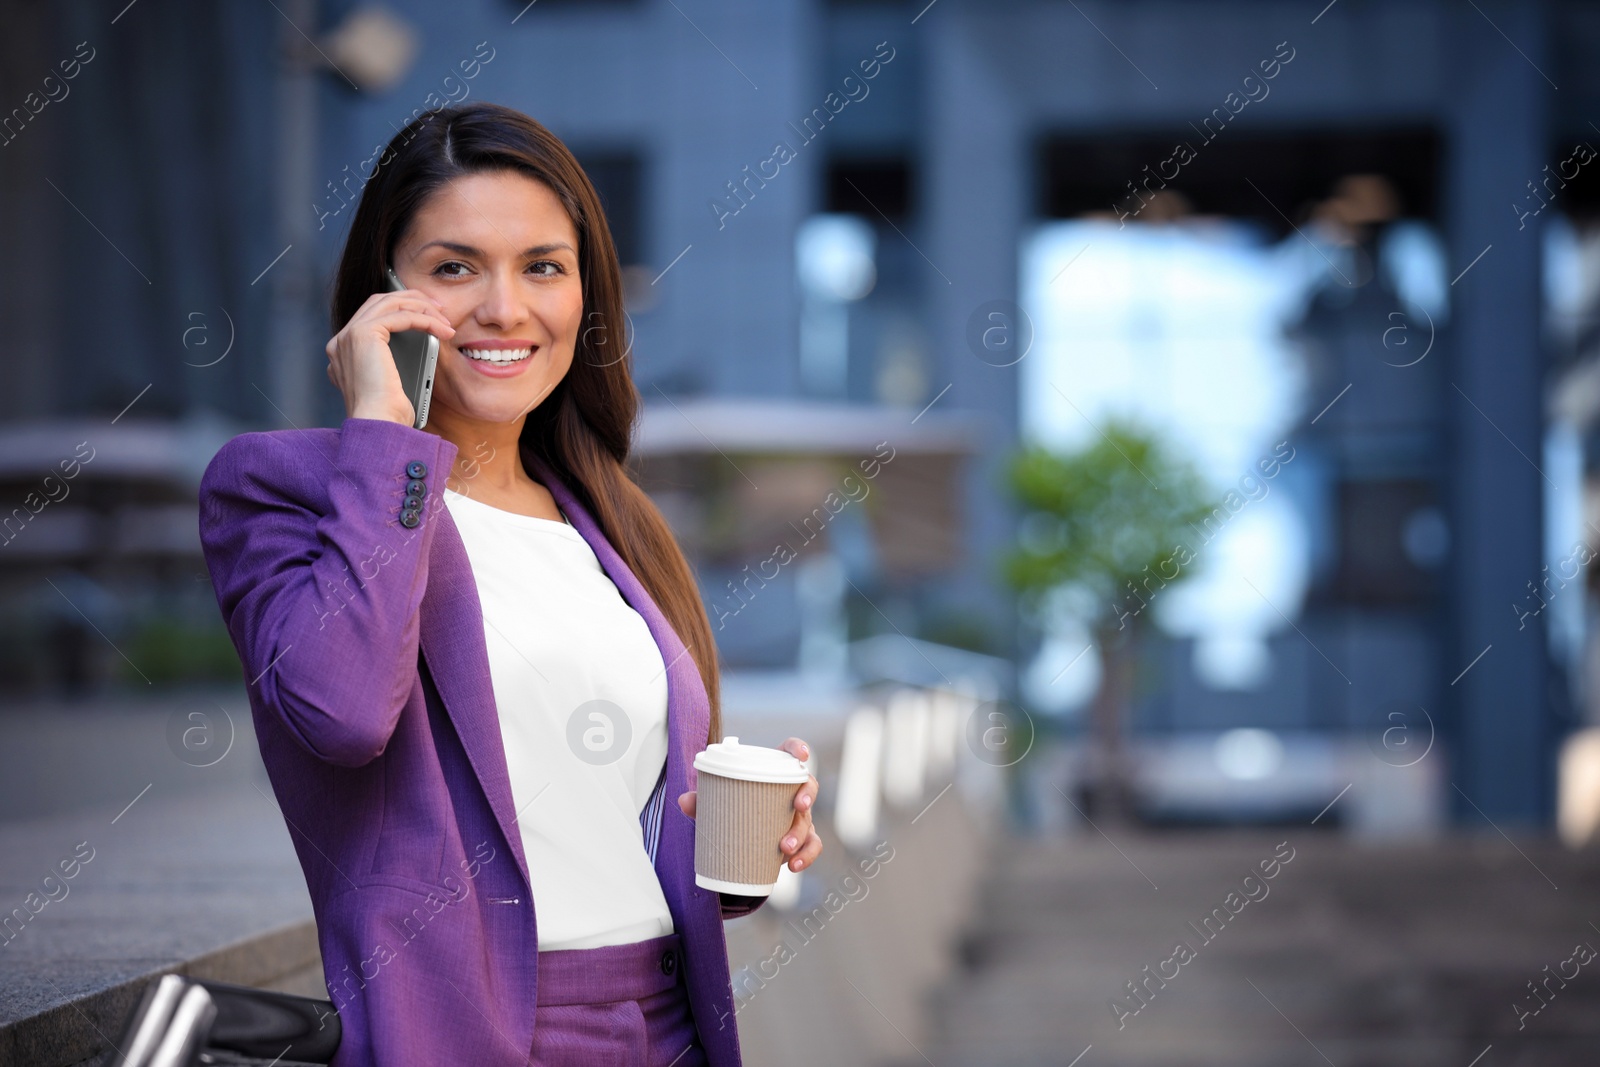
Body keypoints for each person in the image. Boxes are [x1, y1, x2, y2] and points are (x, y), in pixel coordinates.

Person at [197, 101, 821, 1067]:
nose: (504, 308)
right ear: (382, 298)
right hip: (469, 1033)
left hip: (666, 1028)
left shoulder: (611, 518)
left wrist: (741, 855)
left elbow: (610, 825)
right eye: (454, 268)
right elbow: (344, 710)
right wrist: (383, 434)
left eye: (543, 267)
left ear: (587, 295)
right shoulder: (288, 489)